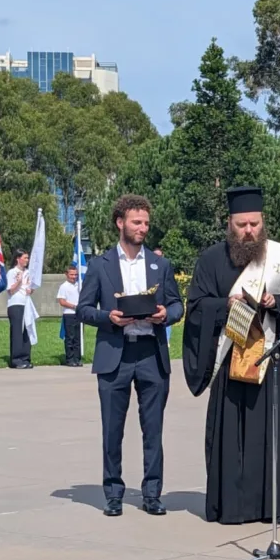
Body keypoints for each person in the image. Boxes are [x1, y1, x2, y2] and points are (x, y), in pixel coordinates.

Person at [182, 186, 280, 525]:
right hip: (230, 363)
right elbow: (195, 308)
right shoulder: (210, 260)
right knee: (232, 437)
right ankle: (234, 506)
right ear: (230, 224)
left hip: (270, 362)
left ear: (262, 222)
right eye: (242, 225)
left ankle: (277, 505)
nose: (249, 231)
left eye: (254, 224)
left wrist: (275, 303)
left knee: (275, 433)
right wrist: (226, 304)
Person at [77, 194, 183, 517]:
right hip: (115, 355)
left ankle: (152, 493)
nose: (143, 228)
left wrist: (166, 314)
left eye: (146, 223)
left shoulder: (160, 264)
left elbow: (177, 305)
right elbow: (82, 309)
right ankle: (113, 493)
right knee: (113, 429)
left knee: (153, 429)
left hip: (151, 354)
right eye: (137, 222)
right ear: (120, 222)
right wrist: (107, 317)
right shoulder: (99, 265)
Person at [6, 249, 34, 369]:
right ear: (18, 259)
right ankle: (16, 359)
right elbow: (10, 290)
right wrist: (19, 280)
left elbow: (31, 288)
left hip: (27, 303)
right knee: (17, 331)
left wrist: (31, 290)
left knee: (27, 330)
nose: (27, 260)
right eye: (25, 258)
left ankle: (25, 357)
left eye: (28, 258)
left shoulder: (29, 272)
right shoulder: (12, 272)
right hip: (16, 303)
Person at [56, 264, 82, 367]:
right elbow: (62, 301)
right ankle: (70, 359)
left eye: (75, 274)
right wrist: (74, 306)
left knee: (78, 338)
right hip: (69, 314)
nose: (74, 277)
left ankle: (77, 358)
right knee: (70, 337)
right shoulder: (63, 286)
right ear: (66, 274)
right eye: (72, 274)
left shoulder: (79, 285)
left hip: (79, 315)